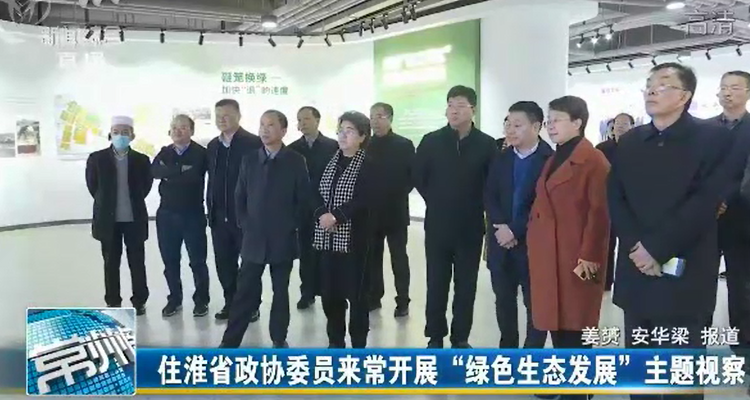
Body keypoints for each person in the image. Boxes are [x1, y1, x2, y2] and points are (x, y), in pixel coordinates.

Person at [608, 63, 732, 400]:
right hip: (637, 269)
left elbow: (706, 200)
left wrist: (656, 248)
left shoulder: (713, 139)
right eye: (649, 84)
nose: (651, 90)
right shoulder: (631, 141)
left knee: (682, 373)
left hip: (686, 270)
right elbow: (615, 197)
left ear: (684, 96)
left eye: (663, 85)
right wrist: (636, 247)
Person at [526, 96, 610, 400]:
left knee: (577, 328)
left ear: (578, 122)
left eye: (557, 120)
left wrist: (589, 258)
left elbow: (600, 215)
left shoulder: (593, 160)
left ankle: (579, 392)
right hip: (551, 257)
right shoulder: (556, 156)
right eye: (549, 120)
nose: (550, 126)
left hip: (578, 259)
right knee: (558, 327)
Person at [414, 85, 497, 348]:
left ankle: (460, 337)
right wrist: (437, 200)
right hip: (438, 225)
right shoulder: (431, 141)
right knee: (436, 283)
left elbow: (492, 184)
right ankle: (435, 335)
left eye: (460, 105)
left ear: (473, 110)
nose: (454, 110)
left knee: (466, 285)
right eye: (450, 105)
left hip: (470, 227)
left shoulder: (486, 144)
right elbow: (419, 176)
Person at [220, 110, 310, 349]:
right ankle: (230, 342)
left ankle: (278, 338)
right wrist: (246, 224)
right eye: (262, 124)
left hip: (283, 237)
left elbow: (303, 199)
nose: (264, 129)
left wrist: (291, 224)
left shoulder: (295, 160)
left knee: (280, 291)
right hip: (254, 237)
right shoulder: (250, 159)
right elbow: (239, 196)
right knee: (244, 292)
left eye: (270, 125)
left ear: (283, 130)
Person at [485, 101, 553, 349]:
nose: (510, 130)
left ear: (536, 127)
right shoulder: (500, 157)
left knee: (535, 303)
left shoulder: (550, 160)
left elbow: (543, 205)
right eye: (508, 124)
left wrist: (514, 229)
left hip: (533, 245)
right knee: (503, 300)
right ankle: (508, 351)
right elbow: (489, 194)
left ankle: (531, 355)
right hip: (500, 242)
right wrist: (501, 226)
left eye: (517, 125)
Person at [312, 111, 374, 348]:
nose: (343, 136)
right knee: (330, 296)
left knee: (357, 297)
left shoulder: (369, 164)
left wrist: (337, 216)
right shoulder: (327, 161)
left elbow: (365, 198)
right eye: (340, 130)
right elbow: (312, 191)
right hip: (327, 242)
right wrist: (321, 213)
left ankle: (358, 345)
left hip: (355, 242)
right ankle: (335, 342)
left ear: (362, 136)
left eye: (349, 131)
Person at [85, 116, 153, 315]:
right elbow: (93, 187)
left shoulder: (141, 160)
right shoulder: (97, 159)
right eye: (116, 132)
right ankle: (113, 301)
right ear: (110, 134)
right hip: (108, 221)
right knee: (111, 263)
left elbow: (146, 186)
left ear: (132, 136)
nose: (120, 136)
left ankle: (139, 301)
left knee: (137, 263)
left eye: (125, 132)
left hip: (134, 220)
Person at [207, 99, 262, 320]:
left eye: (227, 115)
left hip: (246, 216)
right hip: (219, 216)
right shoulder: (213, 146)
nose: (222, 119)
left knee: (249, 265)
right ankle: (230, 303)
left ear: (239, 116)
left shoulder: (253, 143)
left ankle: (251, 306)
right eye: (218, 115)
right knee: (224, 263)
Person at [151, 115, 210, 318]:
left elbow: (193, 177)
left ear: (192, 131)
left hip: (193, 214)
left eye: (183, 127)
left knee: (198, 261)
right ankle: (174, 299)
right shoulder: (165, 151)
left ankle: (201, 300)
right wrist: (179, 170)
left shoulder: (200, 153)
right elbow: (155, 172)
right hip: (167, 215)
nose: (178, 131)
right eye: (174, 127)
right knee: (170, 261)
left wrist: (169, 172)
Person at [710, 70, 750, 359]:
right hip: (705, 218)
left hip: (743, 218)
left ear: (747, 93)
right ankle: (693, 345)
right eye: (723, 87)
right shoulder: (705, 129)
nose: (727, 92)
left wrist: (726, 199)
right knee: (698, 284)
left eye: (735, 88)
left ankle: (744, 348)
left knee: (742, 286)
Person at [366, 102, 415, 317]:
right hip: (371, 213)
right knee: (372, 258)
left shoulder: (404, 145)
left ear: (390, 118)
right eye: (372, 117)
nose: (375, 121)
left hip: (395, 212)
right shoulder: (365, 145)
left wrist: (396, 193)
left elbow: (412, 176)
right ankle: (374, 297)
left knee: (399, 258)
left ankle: (402, 300)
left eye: (380, 116)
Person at [288, 106, 338, 310]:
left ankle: (330, 291)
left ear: (317, 120)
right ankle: (307, 292)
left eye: (306, 119)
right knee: (306, 252)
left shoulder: (332, 146)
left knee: (328, 252)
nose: (302, 123)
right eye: (299, 120)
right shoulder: (292, 149)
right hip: (303, 209)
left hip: (327, 208)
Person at [595, 112, 635, 292]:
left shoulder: (638, 147)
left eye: (624, 124)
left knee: (629, 242)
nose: (619, 126)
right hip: (606, 201)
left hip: (631, 203)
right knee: (606, 243)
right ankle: (605, 281)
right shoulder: (601, 149)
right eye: (617, 123)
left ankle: (627, 283)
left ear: (632, 127)